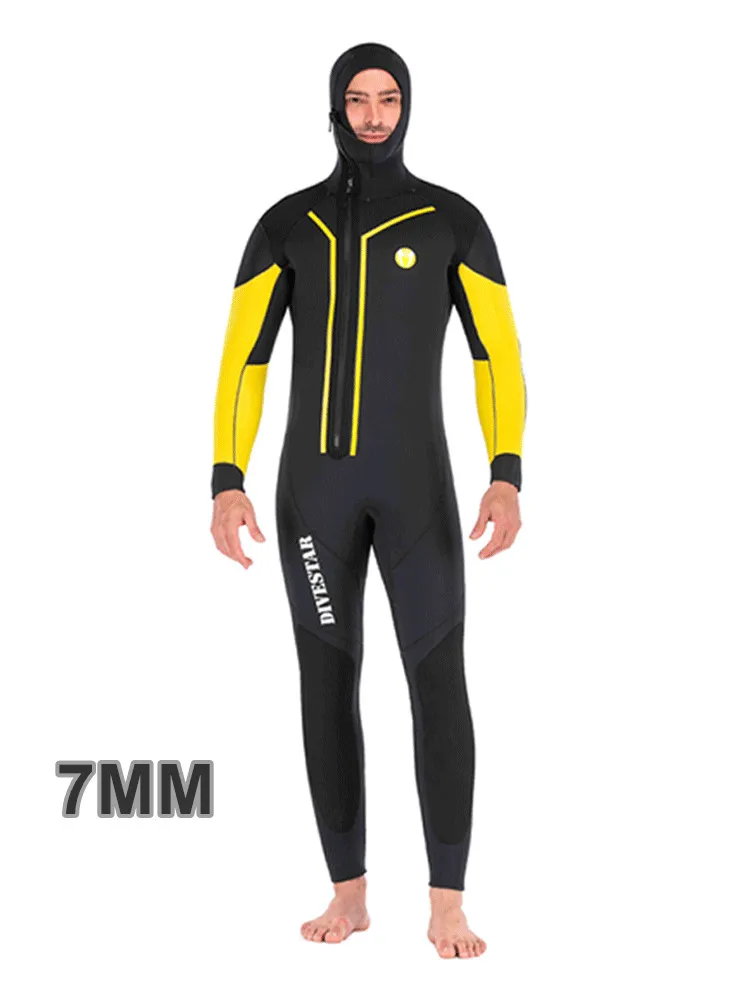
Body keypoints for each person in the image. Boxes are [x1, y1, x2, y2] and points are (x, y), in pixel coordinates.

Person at [210, 41, 526, 959]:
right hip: (314, 497)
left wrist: (506, 470)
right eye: (358, 99)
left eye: (388, 98)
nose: (375, 115)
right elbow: (244, 359)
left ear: (407, 106)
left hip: (418, 490)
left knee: (438, 682)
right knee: (325, 682)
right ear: (335, 108)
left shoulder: (453, 222)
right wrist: (226, 478)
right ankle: (348, 895)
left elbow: (497, 354)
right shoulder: (287, 226)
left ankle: (447, 904)